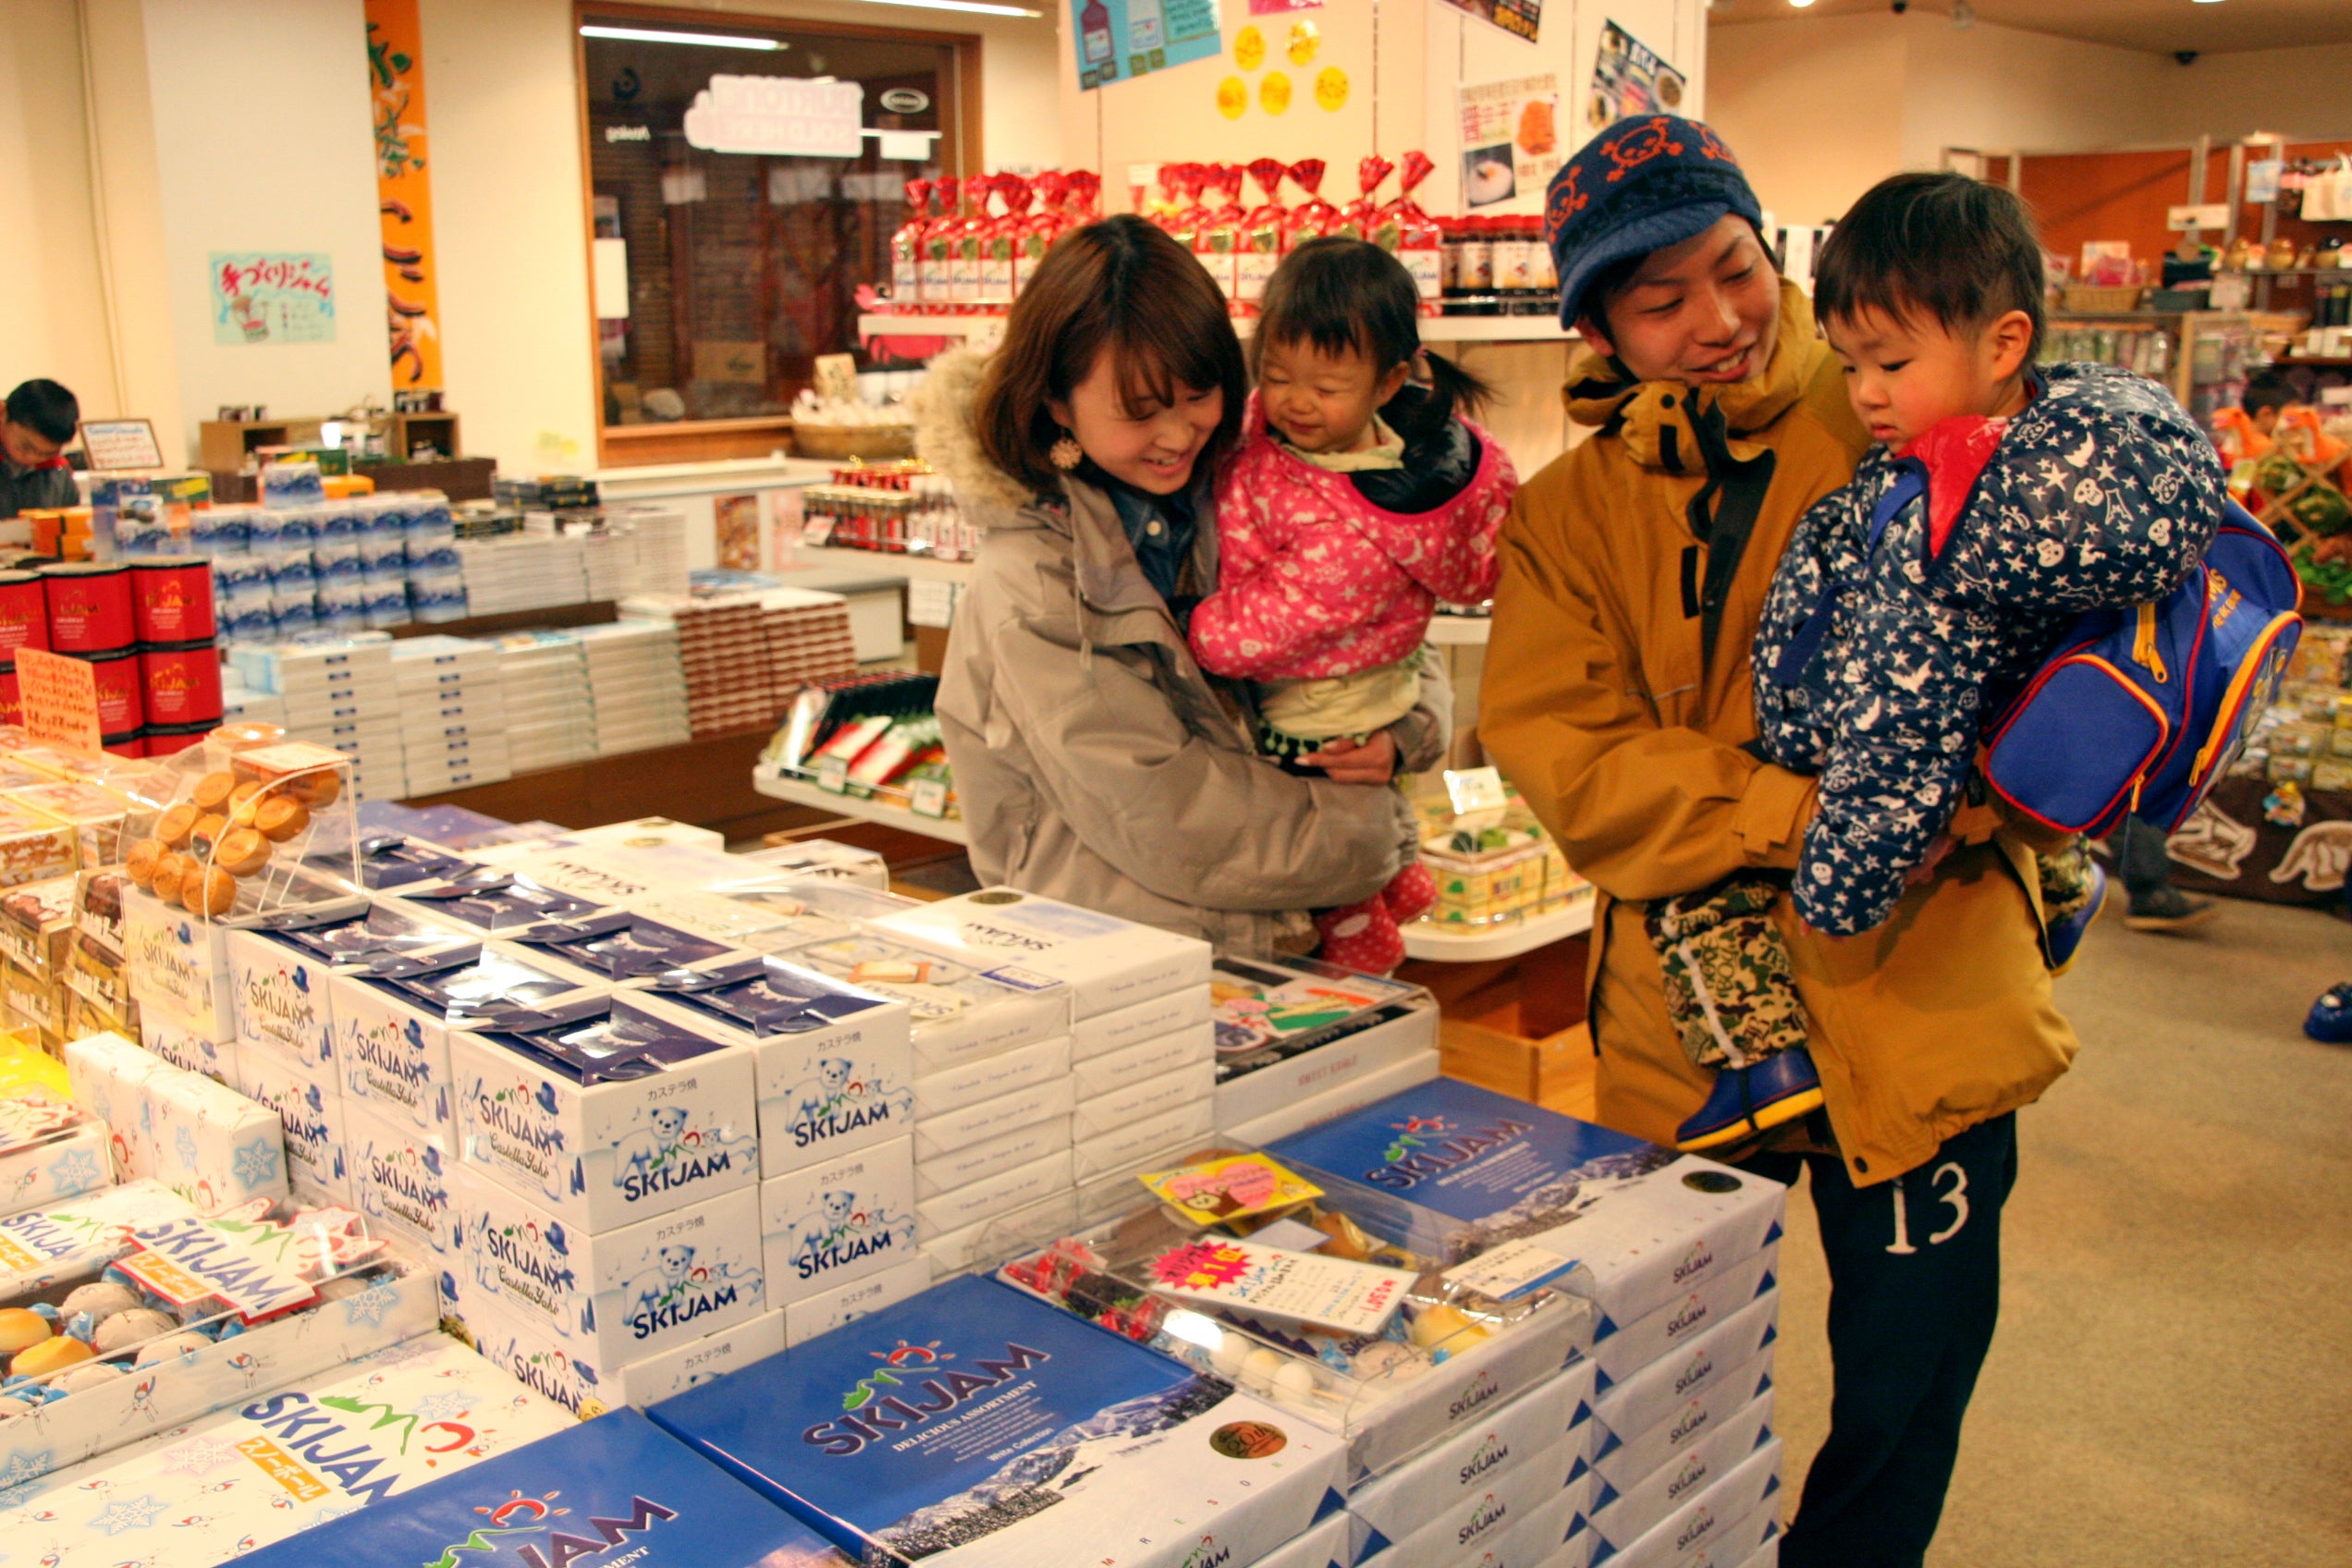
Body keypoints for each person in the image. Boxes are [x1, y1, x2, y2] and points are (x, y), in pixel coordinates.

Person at [1483, 116, 2076, 1568]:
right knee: (1665, 1374)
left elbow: (2052, 664)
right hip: (1685, 1024)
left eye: (1733, 269)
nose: (1718, 323)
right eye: (1658, 298)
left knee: (1905, 1379)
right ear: (1603, 324)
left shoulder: (1921, 421)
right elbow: (1572, 755)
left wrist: (1991, 794)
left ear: (1774, 255)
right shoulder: (1565, 516)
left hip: (1920, 986)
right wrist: (1816, 812)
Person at [1662, 172, 2221, 1145]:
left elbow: (1902, 713)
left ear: (2005, 341)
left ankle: (1760, 1065)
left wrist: (1843, 878)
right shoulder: (2080, 429)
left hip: (1900, 783)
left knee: (1703, 912)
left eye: (1889, 363)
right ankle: (2061, 882)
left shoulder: (1948, 518)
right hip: (2018, 752)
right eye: (1847, 366)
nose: (1865, 395)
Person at [916, 214, 1451, 955]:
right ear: (1058, 403)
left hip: (1277, 941)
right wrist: (1375, 830)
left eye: (1199, 395)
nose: (1178, 434)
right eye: (1139, 412)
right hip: (1123, 961)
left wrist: (1404, 731)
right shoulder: (1035, 585)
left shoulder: (1244, 487)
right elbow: (1168, 813)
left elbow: (1383, 618)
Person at [1186, 238, 1516, 973]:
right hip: (1358, 684)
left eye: (1326, 387)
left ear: (1391, 380)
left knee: (1325, 845)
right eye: (1276, 377)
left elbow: (1254, 634)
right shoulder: (1287, 435)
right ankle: (1398, 875)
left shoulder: (1362, 527)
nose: (1295, 402)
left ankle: (1367, 934)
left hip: (1324, 702)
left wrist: (1196, 628)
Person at [0, 380, 79, 520]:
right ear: (2, 413)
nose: (32, 458)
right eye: (25, 447)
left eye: (48, 453)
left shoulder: (58, 471)